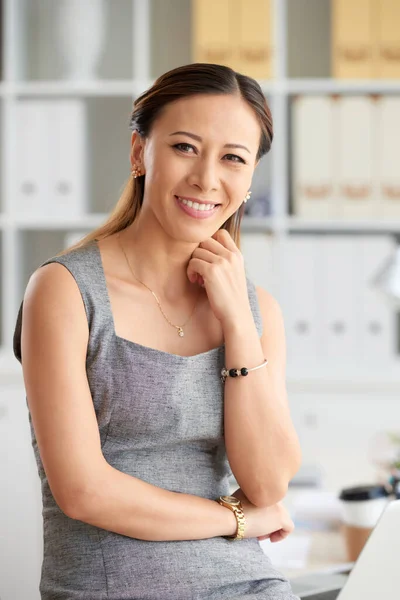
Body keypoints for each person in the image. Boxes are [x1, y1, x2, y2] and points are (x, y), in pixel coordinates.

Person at [13, 63, 302, 600]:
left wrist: (237, 320)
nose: (207, 178)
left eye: (233, 158)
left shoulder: (258, 310)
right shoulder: (64, 290)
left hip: (250, 585)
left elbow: (267, 485)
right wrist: (236, 520)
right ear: (140, 153)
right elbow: (83, 492)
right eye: (185, 147)